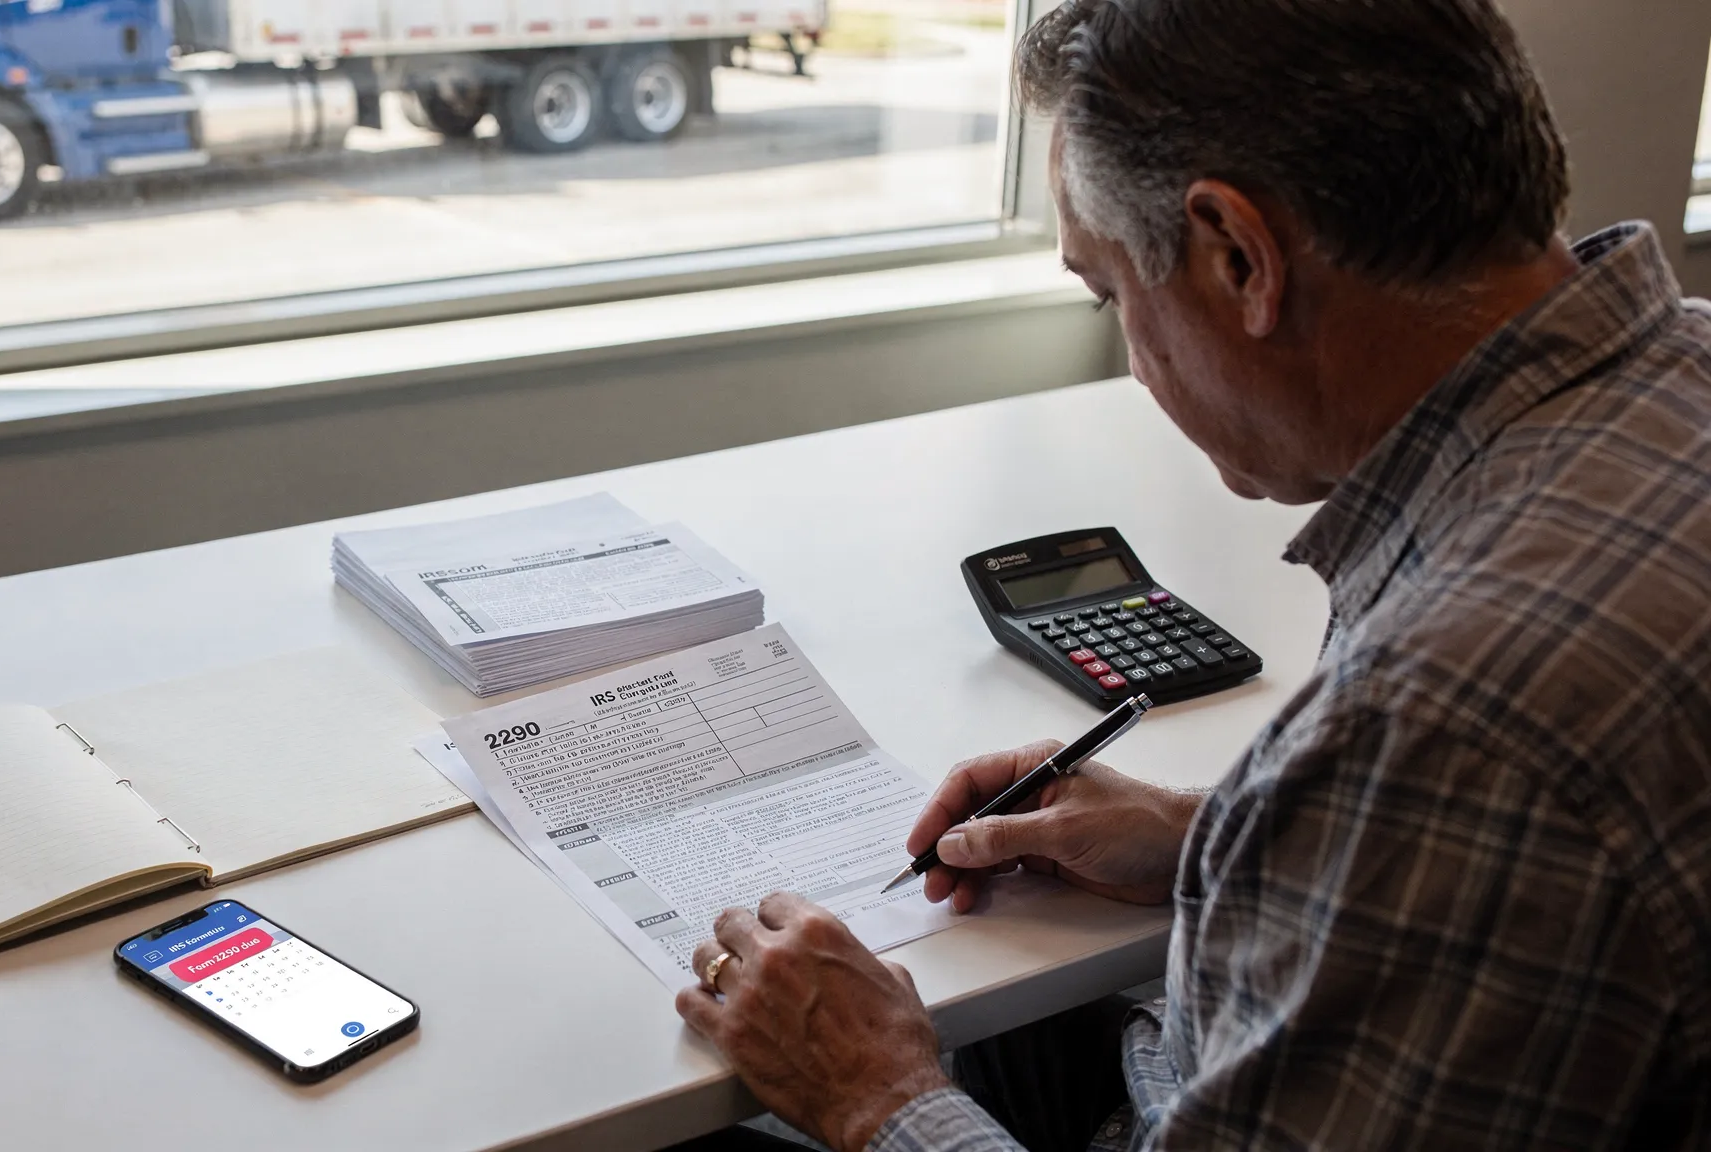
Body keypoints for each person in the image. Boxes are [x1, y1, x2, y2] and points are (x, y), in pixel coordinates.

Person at [667, 0, 1711, 1149]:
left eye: (1112, 294)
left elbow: (1482, 778)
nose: (1132, 361)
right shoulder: (1679, 379)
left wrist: (878, 1098)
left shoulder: (1448, 724)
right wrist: (1222, 828)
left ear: (1236, 257)